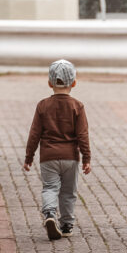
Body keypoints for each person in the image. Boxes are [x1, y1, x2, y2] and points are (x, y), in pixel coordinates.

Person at [22, 59, 92, 240]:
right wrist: (87, 158)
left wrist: (29, 156)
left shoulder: (43, 105)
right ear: (74, 83)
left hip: (48, 157)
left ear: (50, 83)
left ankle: (50, 214)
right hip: (70, 158)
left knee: (50, 188)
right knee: (69, 192)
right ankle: (67, 224)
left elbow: (34, 133)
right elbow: (82, 134)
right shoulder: (77, 106)